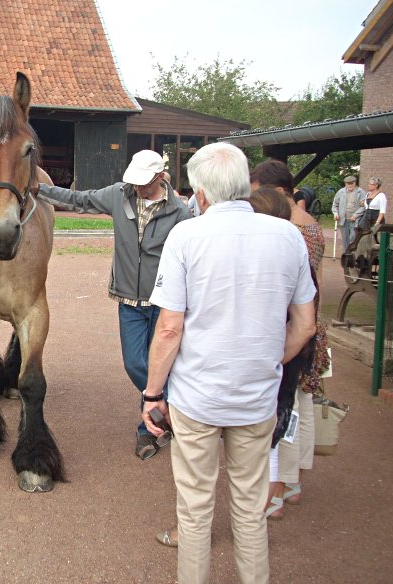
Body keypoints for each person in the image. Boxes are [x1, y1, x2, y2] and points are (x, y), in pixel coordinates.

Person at [142, 143, 316, 584]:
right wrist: (267, 360)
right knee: (250, 508)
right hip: (256, 397)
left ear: (200, 193)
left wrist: (152, 393)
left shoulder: (187, 235)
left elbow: (168, 329)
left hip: (198, 397)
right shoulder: (288, 236)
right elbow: (305, 325)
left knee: (196, 509)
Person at [36, 150, 190, 460]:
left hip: (163, 301)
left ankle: (148, 428)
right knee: (136, 363)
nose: (137, 188)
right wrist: (39, 190)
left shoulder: (181, 213)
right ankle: (172, 410)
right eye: (134, 181)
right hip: (128, 300)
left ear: (160, 178)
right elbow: (78, 199)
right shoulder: (119, 195)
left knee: (161, 362)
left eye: (144, 183)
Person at [250, 159, 328, 520]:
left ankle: (276, 490)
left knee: (283, 409)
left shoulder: (288, 231)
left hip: (290, 328)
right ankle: (293, 483)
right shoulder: (310, 225)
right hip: (308, 321)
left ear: (278, 192)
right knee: (301, 406)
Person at [331, 175, 366, 253]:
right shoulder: (340, 192)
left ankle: (353, 254)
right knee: (345, 239)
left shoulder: (361, 192)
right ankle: (346, 255)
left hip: (355, 220)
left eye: (351, 183)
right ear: (345, 184)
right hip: (343, 220)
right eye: (348, 183)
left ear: (355, 183)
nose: (350, 185)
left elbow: (363, 207)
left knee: (353, 238)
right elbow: (335, 205)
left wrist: (355, 215)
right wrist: (335, 213)